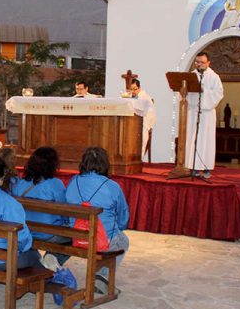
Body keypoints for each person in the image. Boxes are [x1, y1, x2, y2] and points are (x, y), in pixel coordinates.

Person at [65, 147, 129, 294]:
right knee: (123, 240)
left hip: (77, 235)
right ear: (105, 164)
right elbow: (123, 217)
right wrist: (118, 229)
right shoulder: (112, 186)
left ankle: (100, 275)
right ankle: (101, 276)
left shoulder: (73, 181)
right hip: (103, 239)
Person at [10, 147, 72, 267]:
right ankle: (52, 258)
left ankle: (44, 259)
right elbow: (65, 211)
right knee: (73, 238)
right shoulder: (55, 184)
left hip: (25, 230)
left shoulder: (19, 183)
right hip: (48, 234)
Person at [185, 51, 224, 178]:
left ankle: (206, 168)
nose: (199, 65)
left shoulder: (214, 77)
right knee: (193, 139)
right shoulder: (191, 76)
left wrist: (204, 91)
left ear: (208, 63)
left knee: (205, 140)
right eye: (197, 62)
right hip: (193, 112)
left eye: (202, 62)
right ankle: (193, 167)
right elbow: (186, 93)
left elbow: (218, 94)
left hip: (207, 114)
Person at [129, 78, 157, 158]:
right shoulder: (131, 97)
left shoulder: (145, 97)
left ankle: (139, 158)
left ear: (139, 88)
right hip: (133, 122)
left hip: (144, 122)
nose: (133, 91)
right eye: (131, 89)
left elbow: (150, 112)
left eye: (135, 89)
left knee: (142, 138)